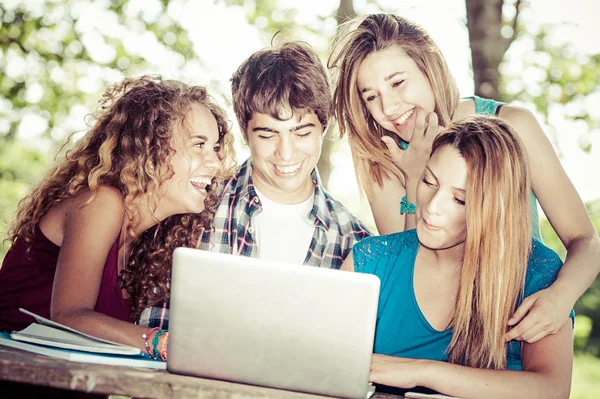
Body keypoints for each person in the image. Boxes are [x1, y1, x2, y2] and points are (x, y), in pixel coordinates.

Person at [329, 13, 599, 344]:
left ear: (429, 68)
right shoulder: (382, 159)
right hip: (430, 339)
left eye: (397, 82)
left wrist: (561, 296)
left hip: (511, 322)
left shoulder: (513, 125)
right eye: (371, 96)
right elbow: (407, 274)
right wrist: (415, 177)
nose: (389, 106)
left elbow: (586, 240)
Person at [0, 76, 235, 361]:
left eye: (215, 148)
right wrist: (161, 341)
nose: (214, 162)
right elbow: (68, 315)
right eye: (199, 144)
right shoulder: (101, 202)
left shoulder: (151, 243)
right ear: (151, 150)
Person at [139, 41, 371, 329]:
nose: (286, 153)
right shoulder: (193, 204)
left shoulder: (356, 241)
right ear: (245, 132)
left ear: (323, 127)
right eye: (267, 134)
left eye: (301, 132)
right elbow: (152, 325)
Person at [341, 116, 573, 398]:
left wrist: (421, 372)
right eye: (429, 181)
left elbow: (552, 390)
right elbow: (327, 366)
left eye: (460, 199)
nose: (432, 207)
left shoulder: (538, 271)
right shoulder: (370, 261)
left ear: (496, 208)